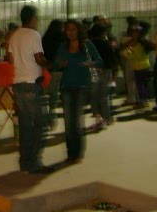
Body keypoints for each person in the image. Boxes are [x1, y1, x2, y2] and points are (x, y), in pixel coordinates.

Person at [7, 5, 52, 174]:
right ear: (32, 17)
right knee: (40, 124)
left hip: (18, 83)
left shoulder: (14, 35)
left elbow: (10, 59)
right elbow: (39, 58)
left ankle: (24, 162)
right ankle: (34, 163)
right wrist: (51, 64)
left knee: (25, 125)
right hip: (32, 83)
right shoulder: (33, 35)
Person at [55, 19, 103, 163]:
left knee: (76, 121)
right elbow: (56, 64)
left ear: (78, 30)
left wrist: (91, 63)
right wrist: (61, 64)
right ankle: (71, 153)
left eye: (73, 29)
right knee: (69, 122)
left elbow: (100, 61)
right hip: (66, 86)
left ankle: (78, 152)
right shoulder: (63, 46)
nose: (70, 32)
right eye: (68, 29)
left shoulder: (87, 44)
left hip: (82, 86)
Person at [88, 22, 117, 128]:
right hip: (105, 72)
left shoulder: (89, 44)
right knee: (104, 97)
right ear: (102, 33)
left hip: (93, 72)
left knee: (94, 96)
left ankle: (98, 117)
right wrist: (114, 75)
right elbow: (112, 61)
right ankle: (107, 118)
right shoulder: (106, 44)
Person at [42, 19, 65, 129]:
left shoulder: (45, 39)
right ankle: (53, 116)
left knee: (47, 93)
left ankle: (48, 118)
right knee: (55, 94)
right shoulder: (62, 39)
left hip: (47, 68)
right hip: (59, 69)